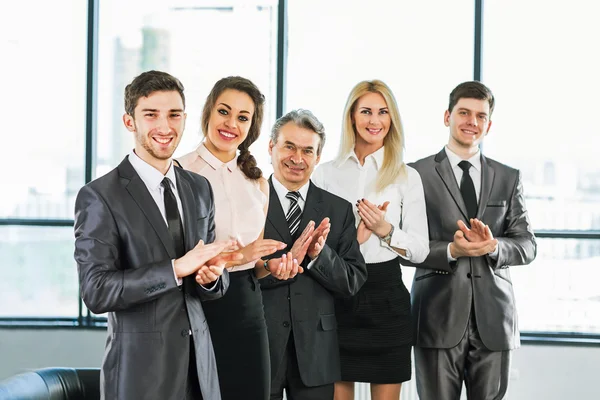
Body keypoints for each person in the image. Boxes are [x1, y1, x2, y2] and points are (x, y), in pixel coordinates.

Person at [74, 70, 238, 400]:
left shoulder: (199, 187)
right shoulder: (100, 196)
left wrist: (210, 277)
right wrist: (176, 269)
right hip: (141, 376)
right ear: (129, 121)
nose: (165, 127)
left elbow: (212, 285)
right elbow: (96, 292)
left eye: (174, 115)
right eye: (151, 115)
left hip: (200, 372)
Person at [409, 81, 537, 400]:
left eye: (480, 116)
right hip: (436, 316)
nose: (472, 122)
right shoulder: (416, 174)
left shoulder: (508, 177)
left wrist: (494, 246)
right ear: (447, 116)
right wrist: (451, 250)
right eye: (464, 113)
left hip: (494, 317)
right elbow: (401, 245)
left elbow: (527, 244)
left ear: (489, 124)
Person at [178, 76, 296, 400]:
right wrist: (238, 257)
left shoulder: (257, 182)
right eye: (224, 111)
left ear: (252, 126)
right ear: (208, 112)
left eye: (243, 117)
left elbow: (253, 262)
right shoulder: (180, 172)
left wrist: (270, 268)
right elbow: (176, 256)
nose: (231, 124)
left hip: (247, 307)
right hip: (196, 303)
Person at [312, 80, 429, 400]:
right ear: (351, 116)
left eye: (382, 112)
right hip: (336, 296)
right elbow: (312, 246)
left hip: (387, 298)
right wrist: (354, 239)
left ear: (392, 119)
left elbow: (420, 250)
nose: (374, 120)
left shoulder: (407, 176)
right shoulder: (324, 174)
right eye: (366, 111)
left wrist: (385, 231)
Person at [259, 109, 367, 400]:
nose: (297, 158)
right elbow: (234, 275)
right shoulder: (248, 202)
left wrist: (320, 256)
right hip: (259, 347)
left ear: (318, 157)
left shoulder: (339, 209)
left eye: (308, 150)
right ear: (271, 147)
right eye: (289, 147)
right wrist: (274, 266)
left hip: (317, 352)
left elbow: (352, 281)